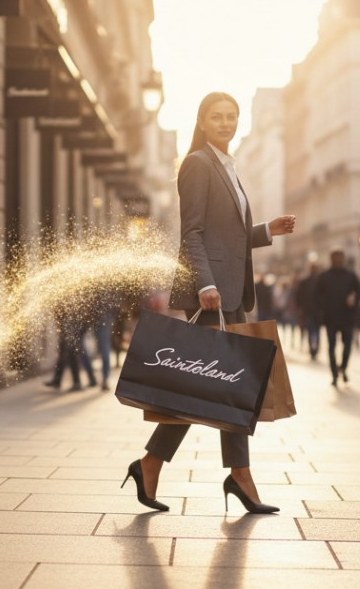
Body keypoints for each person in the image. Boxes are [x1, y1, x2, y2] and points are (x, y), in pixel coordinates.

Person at [126, 91, 296, 515]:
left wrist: (265, 230)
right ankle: (228, 475)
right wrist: (204, 283)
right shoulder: (199, 164)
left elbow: (228, 236)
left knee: (223, 390)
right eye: (217, 117)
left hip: (229, 292)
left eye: (231, 116)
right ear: (202, 122)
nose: (226, 123)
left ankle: (167, 466)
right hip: (214, 295)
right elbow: (194, 233)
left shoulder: (225, 165)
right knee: (211, 390)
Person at [317, 249, 360, 386]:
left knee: (347, 345)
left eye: (340, 258)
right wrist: (324, 306)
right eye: (335, 258)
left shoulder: (350, 275)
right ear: (331, 259)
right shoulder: (324, 276)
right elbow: (317, 295)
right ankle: (334, 374)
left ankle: (343, 368)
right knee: (331, 346)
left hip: (347, 317)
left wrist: (354, 298)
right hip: (330, 318)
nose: (338, 261)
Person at [294, 262, 322, 358]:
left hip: (312, 311)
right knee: (314, 331)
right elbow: (299, 296)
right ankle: (314, 349)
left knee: (313, 331)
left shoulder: (306, 281)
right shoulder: (308, 281)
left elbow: (298, 297)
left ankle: (313, 350)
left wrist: (299, 308)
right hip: (313, 311)